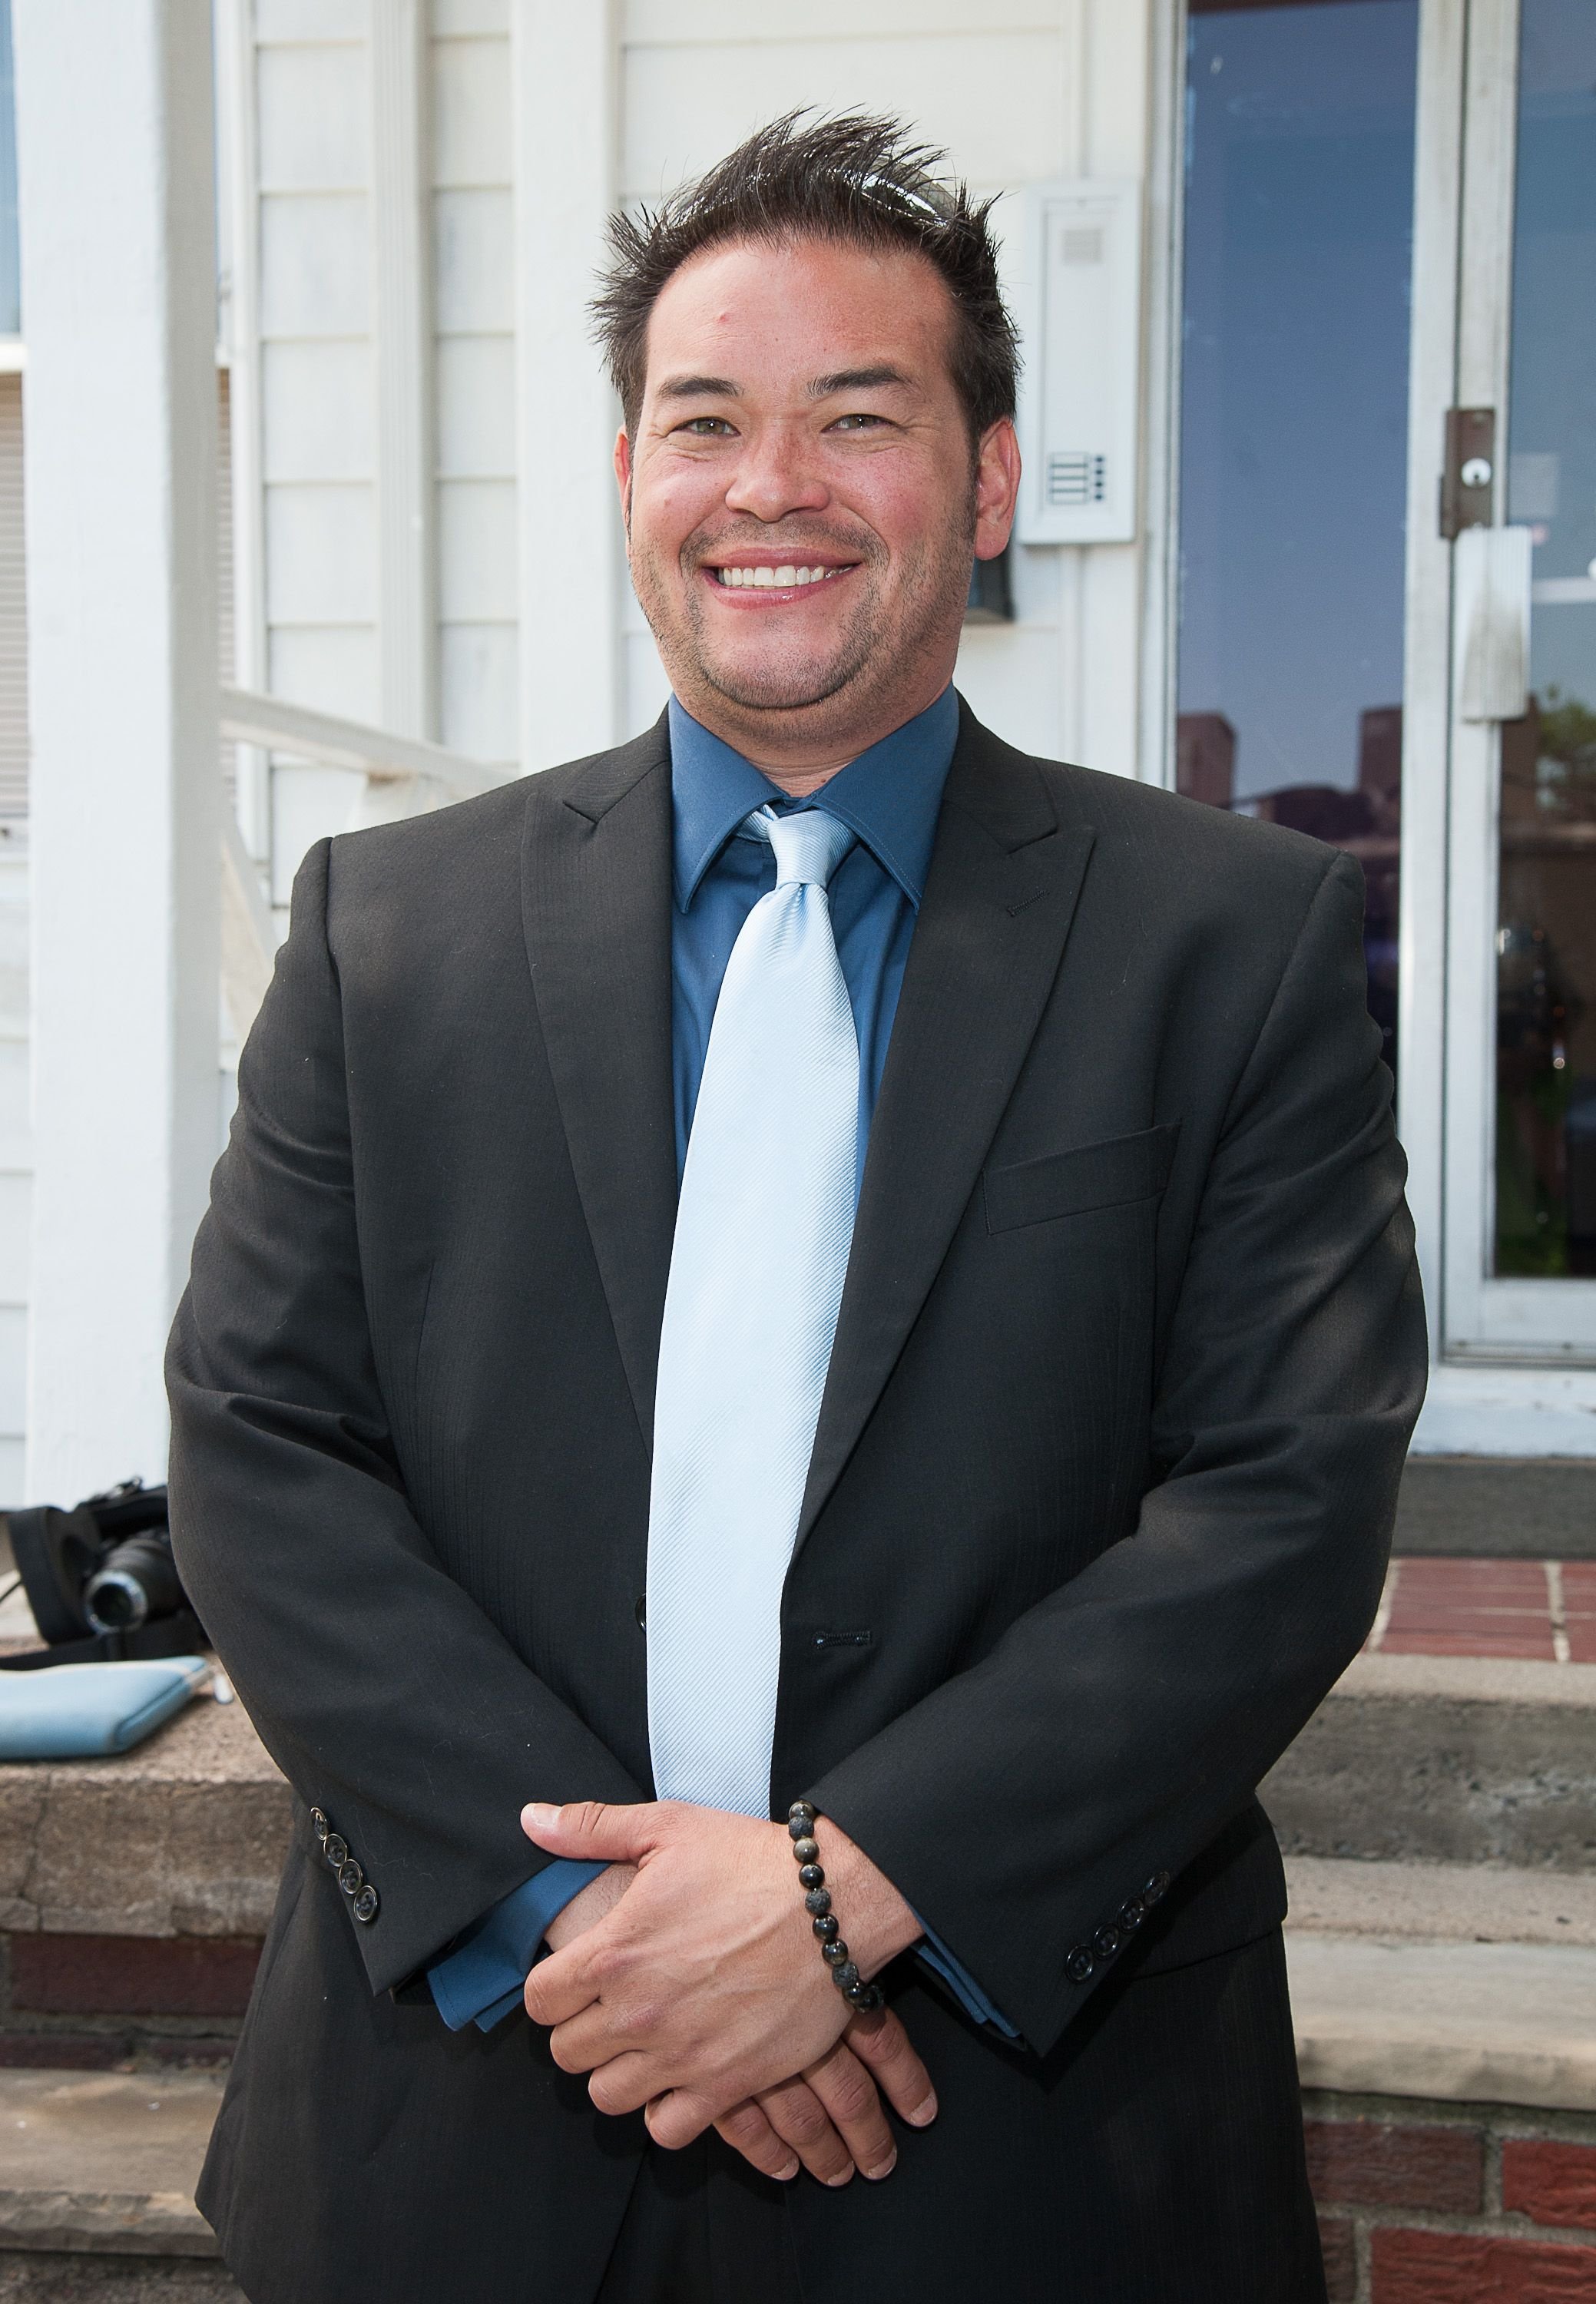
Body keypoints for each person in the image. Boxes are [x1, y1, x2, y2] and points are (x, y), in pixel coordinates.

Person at [167, 111, 1426, 2304]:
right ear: (630, 483)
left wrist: (845, 1898)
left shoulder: (1236, 943)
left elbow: (1281, 1500)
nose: (772, 488)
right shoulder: (391, 932)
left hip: (1022, 2148)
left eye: (860, 417)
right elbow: (265, 1452)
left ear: (993, 478)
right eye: (705, 424)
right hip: (464, 2130)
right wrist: (609, 1939)